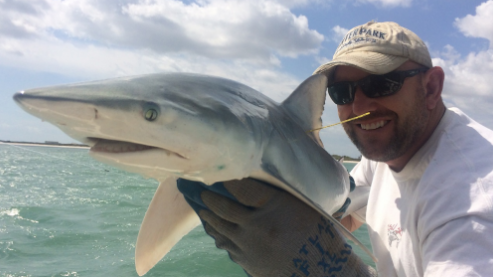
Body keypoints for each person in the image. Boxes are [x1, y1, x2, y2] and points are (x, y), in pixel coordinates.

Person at [178, 21, 493, 276]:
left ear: (431, 87)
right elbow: (348, 212)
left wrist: (324, 267)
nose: (359, 106)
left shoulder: (472, 208)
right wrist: (285, 220)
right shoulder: (384, 156)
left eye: (381, 84)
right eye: (341, 92)